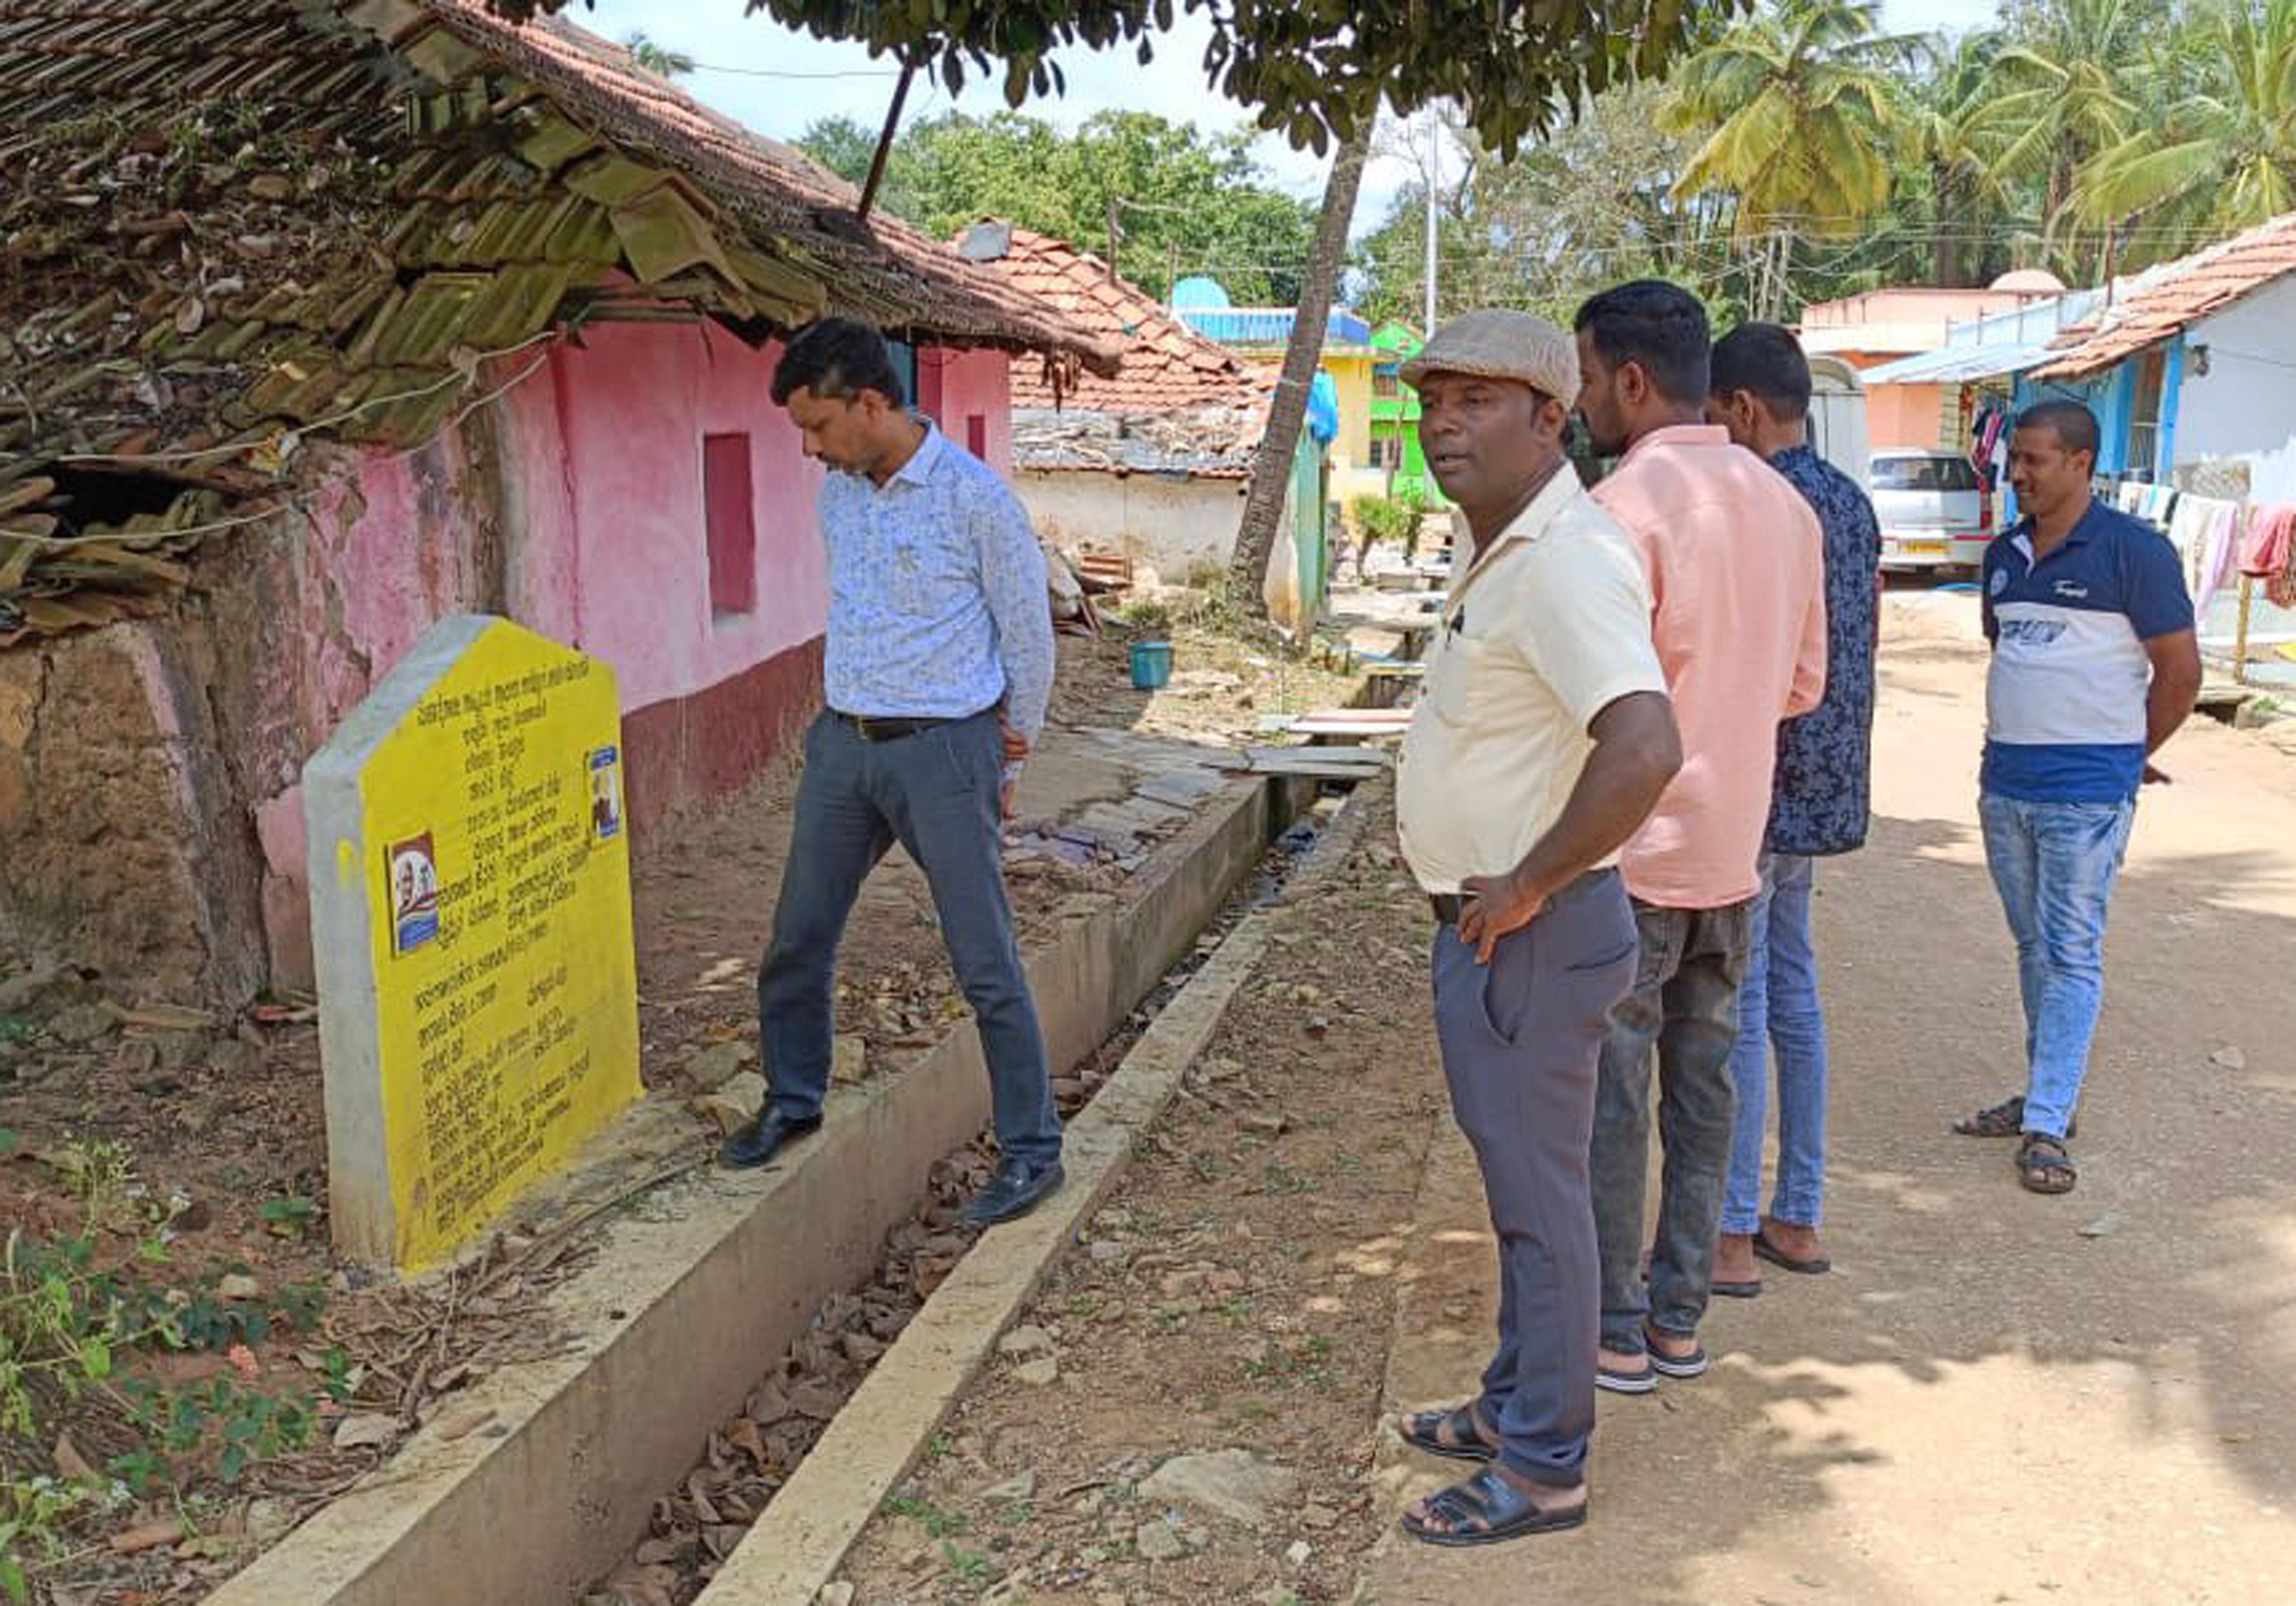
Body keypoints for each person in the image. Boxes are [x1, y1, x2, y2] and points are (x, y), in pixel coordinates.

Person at [1387, 310, 1683, 1544]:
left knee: (1543, 1204)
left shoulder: (1564, 557)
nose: (1442, 420)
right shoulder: (1504, 545)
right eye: (1432, 398)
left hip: (1535, 933)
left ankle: (1547, 1465)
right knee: (1521, 1191)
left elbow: (1645, 745)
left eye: (1477, 399)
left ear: (1551, 418)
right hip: (1504, 931)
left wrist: (1520, 883)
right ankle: (1516, 1400)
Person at [721, 318, 1066, 1228]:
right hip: (844, 746)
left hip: (946, 752)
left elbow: (1028, 632)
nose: (808, 448)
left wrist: (1012, 748)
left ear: (872, 403)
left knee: (983, 960)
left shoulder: (974, 501)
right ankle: (794, 1100)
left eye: (819, 425)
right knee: (797, 939)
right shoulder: (840, 493)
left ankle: (1033, 1152)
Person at [1572, 282, 1826, 1392]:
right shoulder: (1788, 508)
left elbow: (1596, 700)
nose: (1579, 402)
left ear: (1631, 381)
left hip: (1634, 853)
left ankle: (1616, 1326)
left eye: (1585, 379)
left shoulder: (1619, 511)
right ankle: (1681, 1317)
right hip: (1738, 846)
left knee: (1617, 1087)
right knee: (1705, 1082)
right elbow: (1805, 684)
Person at [1953, 400, 2200, 1195]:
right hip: (2007, 788)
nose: (2017, 473)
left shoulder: (2136, 553)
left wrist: (2128, 759)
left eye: (2033, 460)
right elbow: (2010, 651)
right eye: (2013, 460)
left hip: (2086, 796)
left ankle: (2048, 1123)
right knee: (2035, 949)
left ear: (2082, 464)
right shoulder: (2003, 555)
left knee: (2069, 953)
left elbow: (2181, 673)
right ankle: (2047, 1093)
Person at [1702, 324, 1882, 1294]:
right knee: (1793, 995)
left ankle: (1731, 1227)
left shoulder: (1755, 502)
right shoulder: (1850, 503)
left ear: (1739, 408)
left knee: (1740, 1003)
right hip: (1826, 783)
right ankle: (1797, 1211)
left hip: (1757, 780)